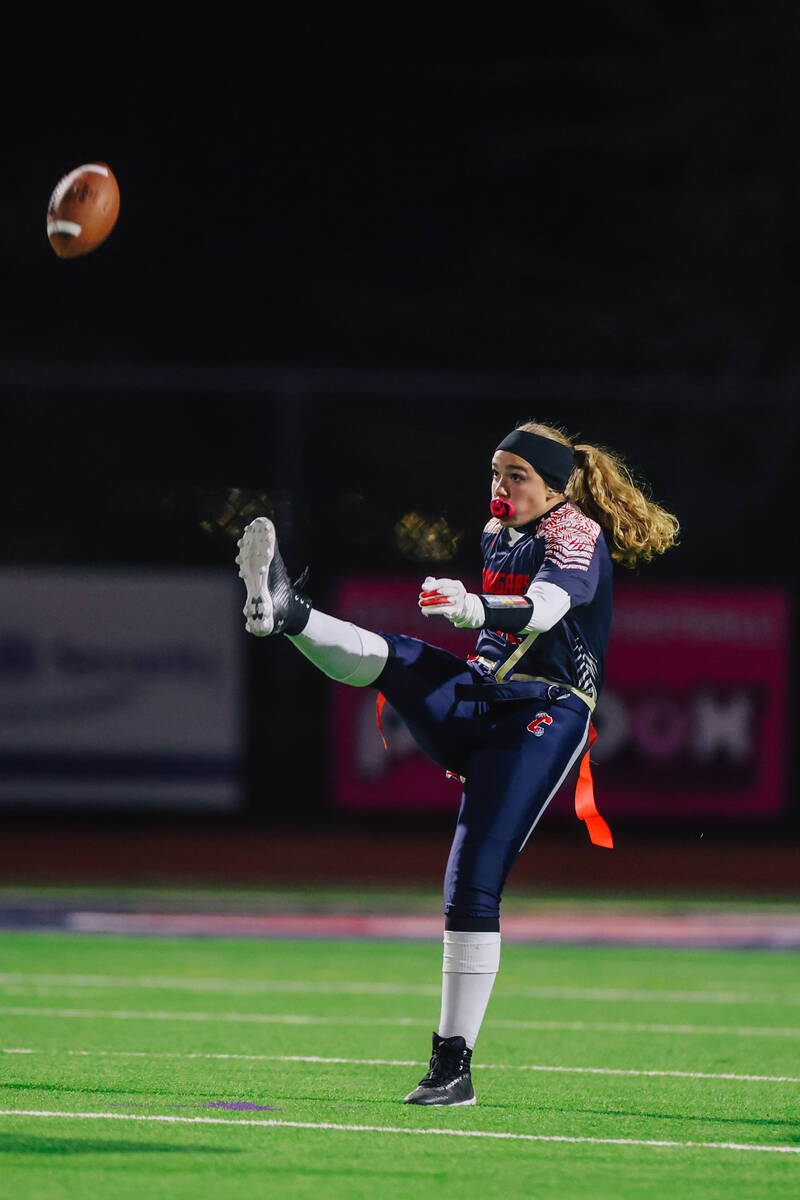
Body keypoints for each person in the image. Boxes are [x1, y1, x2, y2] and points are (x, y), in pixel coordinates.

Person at [235, 419, 679, 1107]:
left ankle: (453, 1067)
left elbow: (547, 607)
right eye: (495, 473)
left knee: (471, 884)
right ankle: (289, 613)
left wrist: (473, 605)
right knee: (400, 657)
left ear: (555, 484)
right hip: (482, 696)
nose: (500, 488)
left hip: (544, 714)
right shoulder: (496, 531)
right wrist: (474, 621)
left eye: (516, 475)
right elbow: (497, 631)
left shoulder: (575, 533)